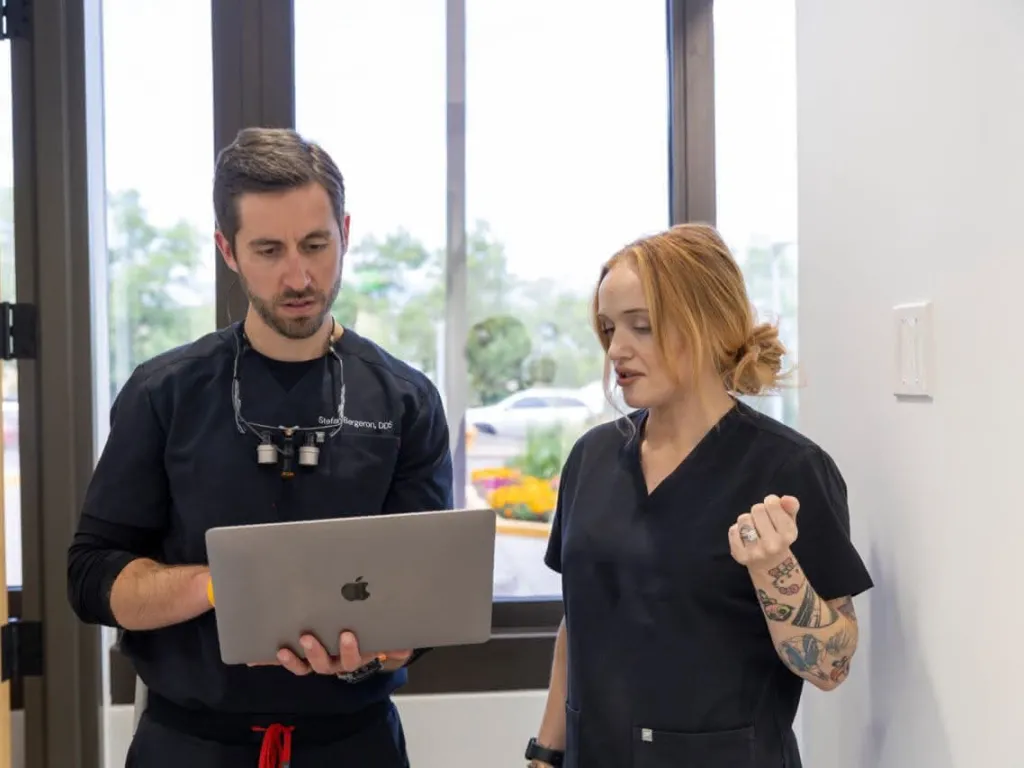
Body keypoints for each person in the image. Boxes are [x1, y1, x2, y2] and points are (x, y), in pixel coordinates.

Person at [67, 127, 453, 767]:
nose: (298, 275)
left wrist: (389, 647)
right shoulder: (165, 393)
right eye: (269, 250)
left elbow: (428, 592)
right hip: (189, 744)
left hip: (354, 745)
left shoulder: (405, 399)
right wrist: (228, 586)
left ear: (346, 233)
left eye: (315, 244)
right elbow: (90, 578)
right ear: (228, 249)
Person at [523, 224, 874, 768]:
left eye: (641, 326)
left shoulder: (789, 469)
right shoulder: (590, 459)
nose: (617, 349)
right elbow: (580, 620)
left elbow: (831, 667)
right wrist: (545, 753)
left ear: (707, 323)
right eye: (609, 327)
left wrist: (775, 567)